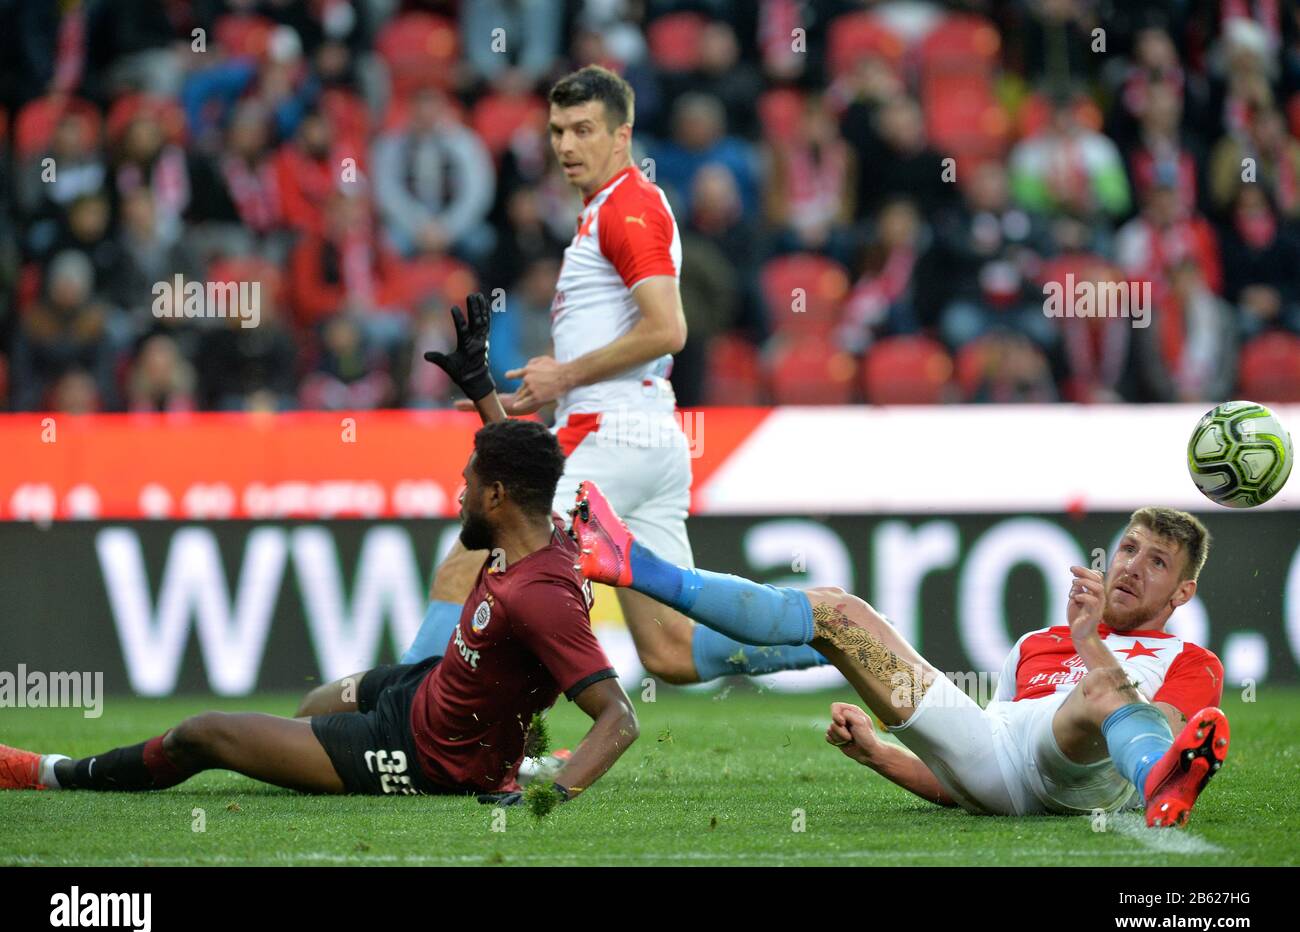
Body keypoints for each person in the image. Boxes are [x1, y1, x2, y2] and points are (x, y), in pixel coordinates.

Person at [0, 296, 638, 804]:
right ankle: (515, 757)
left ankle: (52, 772)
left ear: (496, 497)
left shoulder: (543, 596)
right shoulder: (535, 522)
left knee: (207, 733)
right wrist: (479, 387)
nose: (458, 495)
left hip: (423, 755)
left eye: (468, 486)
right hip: (422, 690)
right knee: (312, 708)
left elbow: (618, 716)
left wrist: (549, 798)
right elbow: (518, 467)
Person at [403, 65, 829, 686]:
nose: (566, 146)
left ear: (621, 135)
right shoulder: (606, 212)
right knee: (670, 652)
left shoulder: (628, 207)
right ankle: (842, 639)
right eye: (557, 131)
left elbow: (668, 328)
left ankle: (402, 721)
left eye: (583, 129)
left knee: (466, 564)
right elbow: (622, 347)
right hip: (643, 436)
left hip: (610, 438)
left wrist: (565, 377)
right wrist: (524, 396)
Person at [571, 480, 1230, 828]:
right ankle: (629, 566)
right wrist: (880, 754)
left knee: (1098, 695)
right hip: (1000, 762)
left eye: (1158, 561)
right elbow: (971, 770)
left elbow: (1171, 733)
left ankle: (1158, 789)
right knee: (842, 615)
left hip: (1077, 777)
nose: (1134, 566)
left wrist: (1090, 643)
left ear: (1184, 591)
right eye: (1130, 549)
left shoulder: (1192, 662)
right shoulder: (1034, 646)